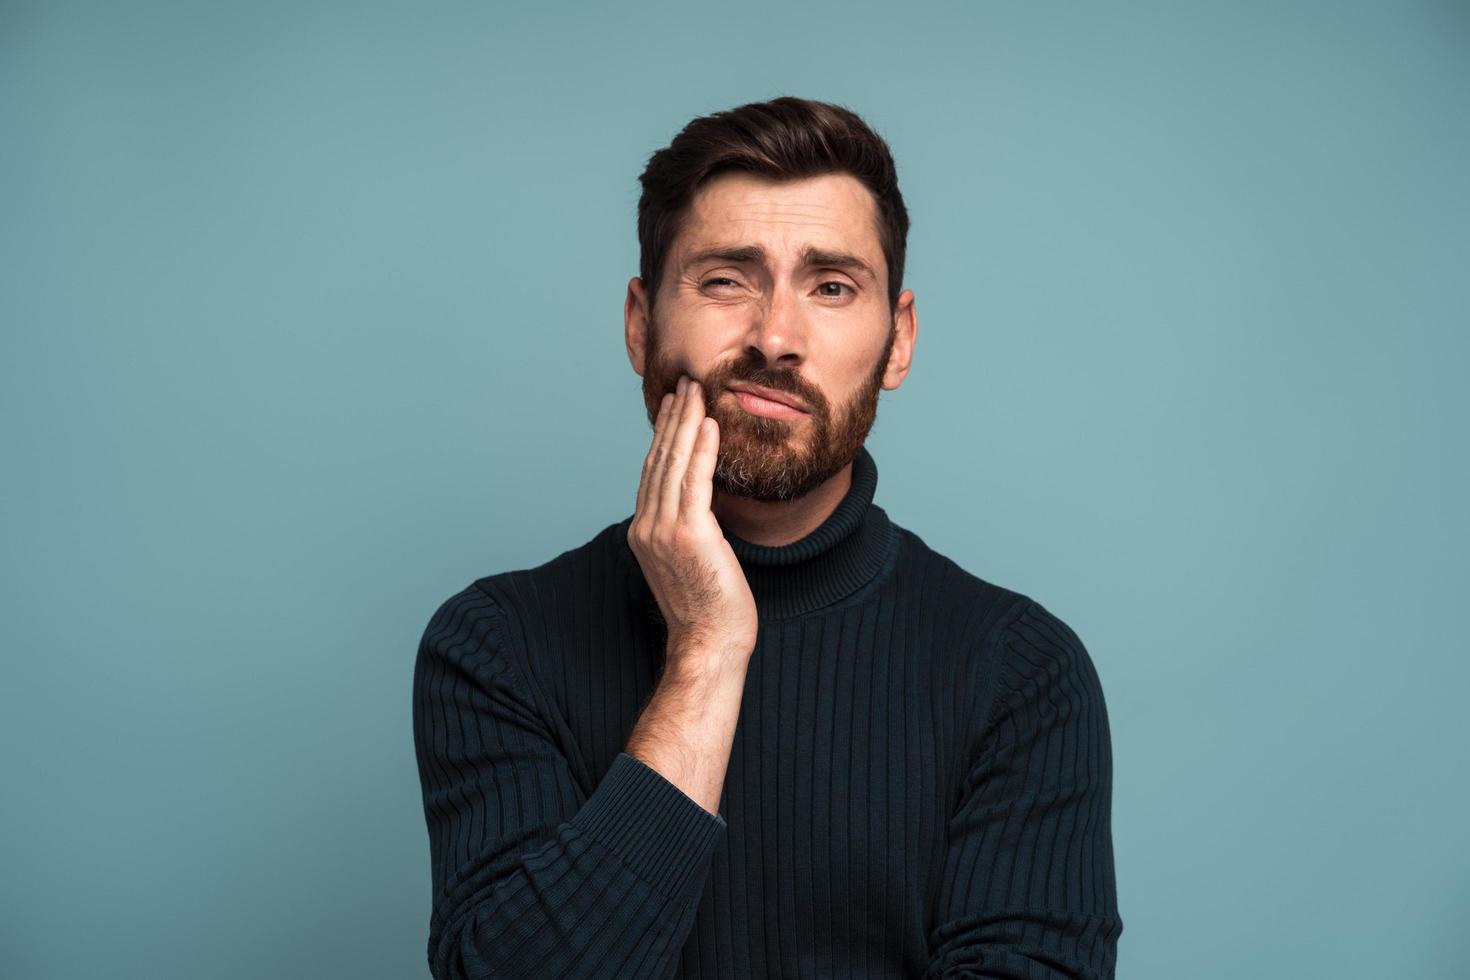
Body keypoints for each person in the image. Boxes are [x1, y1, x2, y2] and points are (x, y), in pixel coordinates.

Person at [412, 95, 1122, 979]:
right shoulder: (496, 646)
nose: (775, 337)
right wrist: (708, 651)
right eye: (726, 279)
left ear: (897, 343)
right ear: (641, 324)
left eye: (831, 286)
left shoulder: (1020, 674)